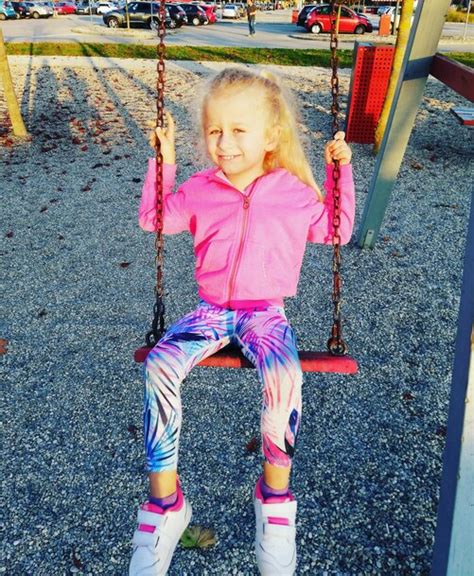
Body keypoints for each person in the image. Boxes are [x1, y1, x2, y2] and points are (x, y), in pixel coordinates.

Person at [130, 67, 355, 576]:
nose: (223, 143)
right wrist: (162, 164)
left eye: (238, 130)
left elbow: (336, 229)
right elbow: (155, 219)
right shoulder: (200, 188)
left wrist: (340, 171)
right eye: (214, 131)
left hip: (264, 314)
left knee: (283, 375)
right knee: (161, 363)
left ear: (271, 135)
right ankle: (165, 504)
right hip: (210, 311)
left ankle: (274, 501)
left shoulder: (291, 192)